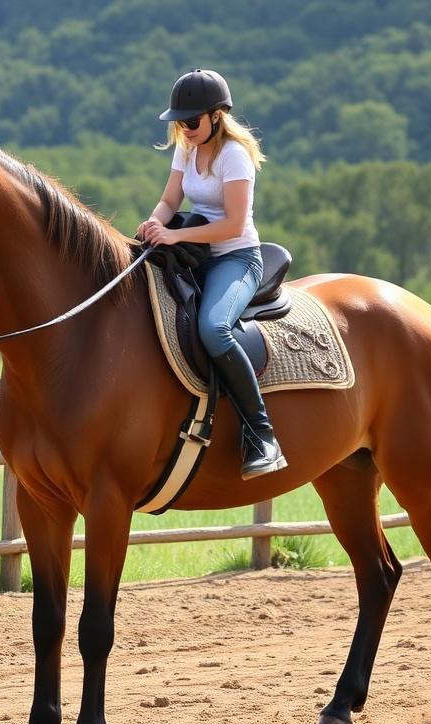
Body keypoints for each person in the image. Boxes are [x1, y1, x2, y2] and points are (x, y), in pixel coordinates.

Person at [138, 68, 287, 480]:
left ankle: (262, 435)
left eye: (191, 121)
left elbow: (233, 226)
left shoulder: (234, 155)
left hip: (236, 259)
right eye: (179, 122)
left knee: (214, 328)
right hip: (193, 252)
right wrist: (154, 224)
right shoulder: (187, 148)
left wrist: (170, 236)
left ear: (216, 116)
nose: (183, 129)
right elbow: (170, 198)